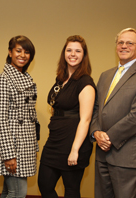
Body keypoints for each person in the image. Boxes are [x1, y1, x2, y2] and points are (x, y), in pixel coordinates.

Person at [90, 28, 136, 198]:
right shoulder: (105, 75)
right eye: (120, 42)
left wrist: (109, 137)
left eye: (130, 43)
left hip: (128, 156)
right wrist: (96, 132)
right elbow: (97, 108)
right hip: (102, 154)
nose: (124, 46)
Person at [38, 35, 96, 198]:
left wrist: (75, 150)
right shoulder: (61, 79)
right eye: (69, 50)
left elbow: (85, 120)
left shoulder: (85, 82)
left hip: (73, 142)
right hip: (54, 141)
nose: (73, 54)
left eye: (78, 51)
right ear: (64, 53)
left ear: (84, 55)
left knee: (71, 190)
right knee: (45, 185)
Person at [0, 35, 38, 198]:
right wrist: (8, 154)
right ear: (10, 52)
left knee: (9, 191)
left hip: (25, 145)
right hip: (12, 147)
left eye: (27, 52)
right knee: (18, 192)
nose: (22, 55)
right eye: (18, 51)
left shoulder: (26, 78)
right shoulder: (3, 80)